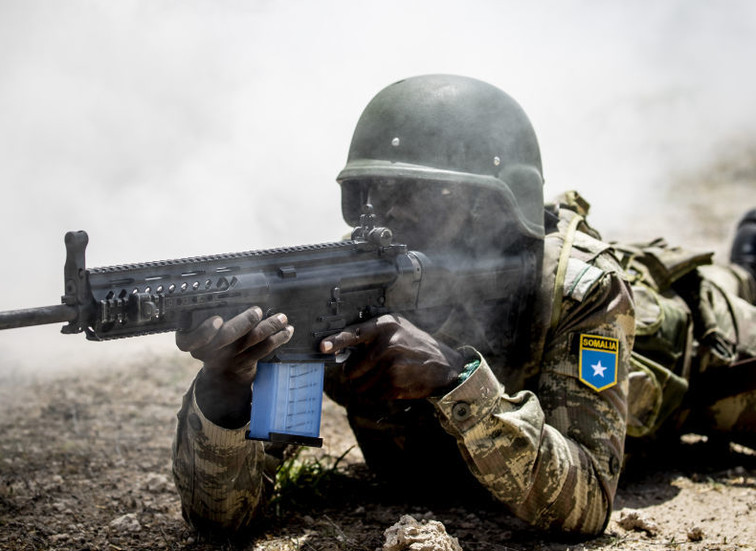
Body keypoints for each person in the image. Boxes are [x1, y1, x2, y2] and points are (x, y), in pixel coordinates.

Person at [170, 74, 756, 537]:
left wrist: (455, 380)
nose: (390, 216)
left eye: (422, 195)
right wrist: (226, 394)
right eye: (375, 193)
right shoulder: (348, 287)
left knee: (734, 295)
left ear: (492, 208)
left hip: (708, 357)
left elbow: (587, 504)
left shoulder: (580, 291)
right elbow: (223, 518)